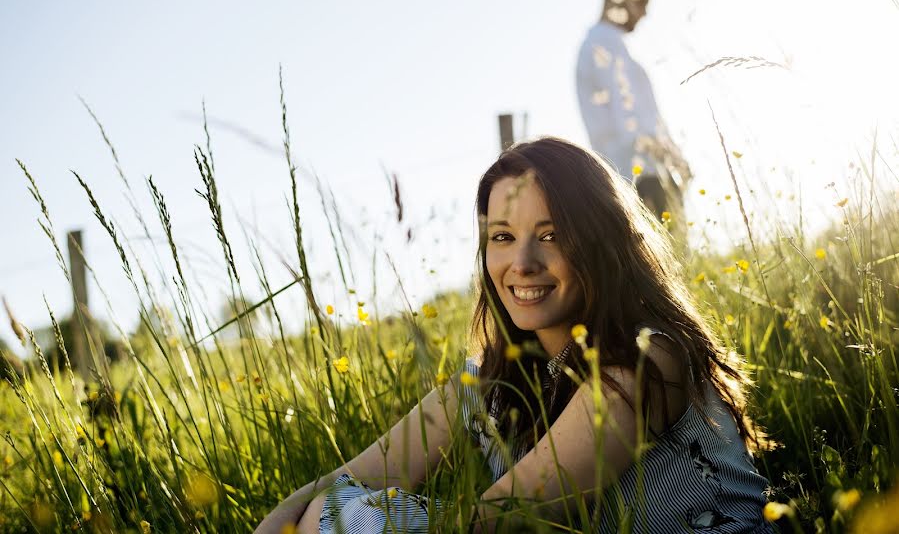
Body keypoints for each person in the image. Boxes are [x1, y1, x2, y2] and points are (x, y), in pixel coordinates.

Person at [256, 138, 772, 533]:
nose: (522, 264)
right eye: (502, 237)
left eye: (550, 236)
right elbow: (350, 479)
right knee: (334, 508)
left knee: (352, 519)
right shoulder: (485, 384)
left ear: (600, 240)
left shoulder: (646, 359)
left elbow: (510, 518)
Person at [576, 0, 691, 220]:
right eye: (642, 2)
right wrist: (669, 155)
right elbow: (630, 118)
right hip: (638, 175)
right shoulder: (603, 46)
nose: (645, 12)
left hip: (639, 171)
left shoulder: (611, 45)